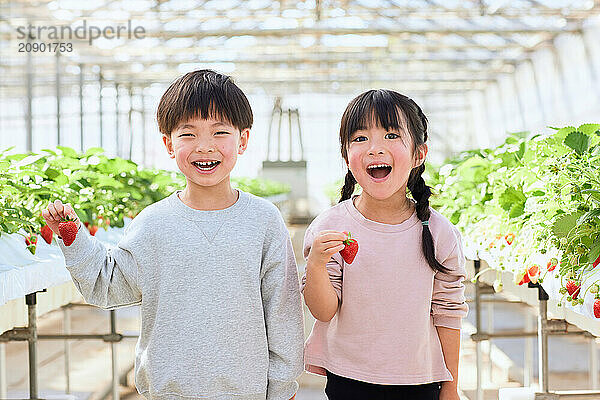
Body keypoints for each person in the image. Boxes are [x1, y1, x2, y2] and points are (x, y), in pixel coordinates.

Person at [42, 70, 303, 400]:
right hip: (169, 392)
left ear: (243, 140)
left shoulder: (264, 221)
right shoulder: (153, 223)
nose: (204, 146)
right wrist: (74, 237)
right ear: (169, 144)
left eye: (219, 132)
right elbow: (108, 286)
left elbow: (282, 312)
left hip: (245, 392)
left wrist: (282, 387)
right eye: (188, 134)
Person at [301, 89, 468, 400]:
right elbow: (323, 311)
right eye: (360, 138)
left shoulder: (438, 231)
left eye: (391, 135)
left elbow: (447, 312)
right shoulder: (331, 226)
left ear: (420, 154)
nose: (375, 148)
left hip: (421, 381)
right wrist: (316, 266)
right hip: (348, 378)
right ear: (346, 155)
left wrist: (451, 387)